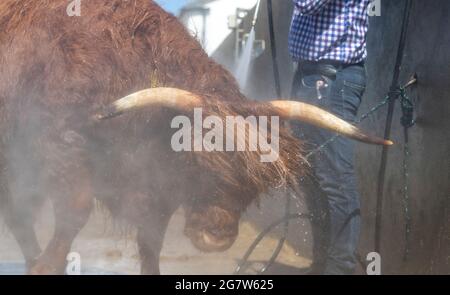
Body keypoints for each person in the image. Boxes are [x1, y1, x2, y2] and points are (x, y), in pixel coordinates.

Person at [289, 0, 371, 275]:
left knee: (335, 180)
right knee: (310, 176)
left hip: (332, 79)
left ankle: (340, 270)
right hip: (312, 75)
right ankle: (322, 264)